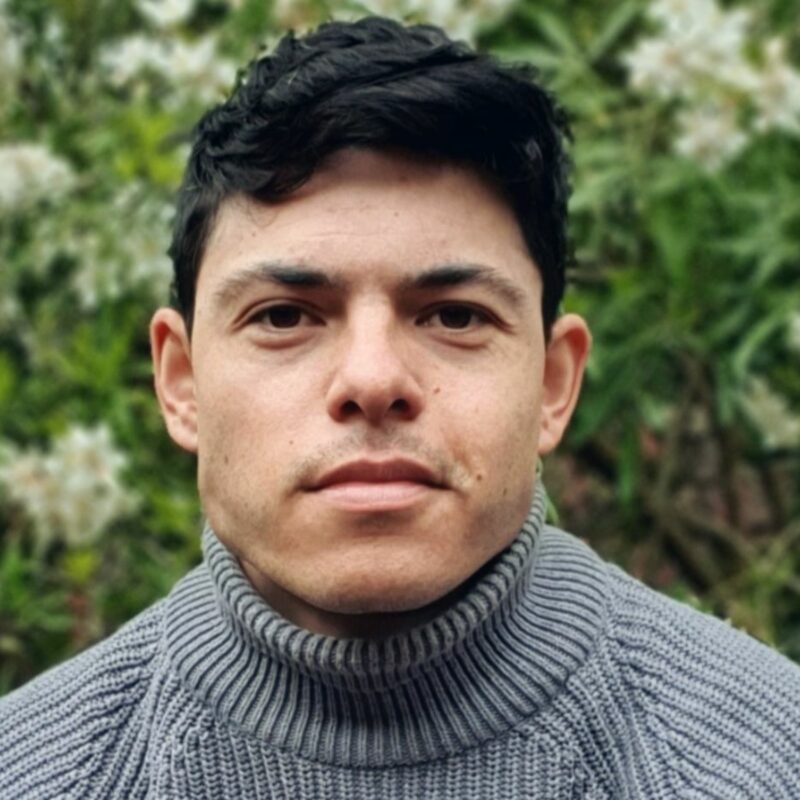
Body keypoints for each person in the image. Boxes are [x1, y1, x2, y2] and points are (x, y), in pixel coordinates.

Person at [1, 15, 799, 799]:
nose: (373, 379)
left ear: (553, 384)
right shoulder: (38, 774)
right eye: (283, 316)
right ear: (180, 383)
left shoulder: (762, 761)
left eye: (454, 315)